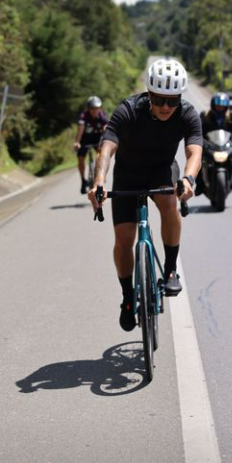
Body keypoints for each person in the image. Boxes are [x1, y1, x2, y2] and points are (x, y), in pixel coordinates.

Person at [88, 58, 202, 331]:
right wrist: (99, 181)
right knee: (124, 239)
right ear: (149, 94)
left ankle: (171, 270)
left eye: (172, 101)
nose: (166, 107)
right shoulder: (129, 109)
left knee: (170, 204)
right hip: (128, 173)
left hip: (162, 170)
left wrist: (188, 178)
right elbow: (108, 145)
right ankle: (128, 298)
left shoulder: (187, 113)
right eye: (160, 99)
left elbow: (194, 150)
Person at [197, 92, 232, 191]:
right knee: (198, 159)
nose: (220, 107)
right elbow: (198, 131)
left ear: (226, 106)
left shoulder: (231, 115)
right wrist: (202, 142)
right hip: (209, 146)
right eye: (218, 104)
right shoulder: (205, 115)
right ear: (213, 104)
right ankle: (199, 185)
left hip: (227, 145)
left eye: (222, 105)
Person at [74, 96, 108, 194]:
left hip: (97, 138)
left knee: (101, 153)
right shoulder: (83, 116)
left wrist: (105, 139)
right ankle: (83, 181)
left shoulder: (102, 116)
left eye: (97, 108)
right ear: (89, 109)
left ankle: (99, 175)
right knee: (80, 158)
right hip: (84, 139)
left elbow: (106, 127)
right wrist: (77, 142)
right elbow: (80, 129)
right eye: (93, 108)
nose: (95, 111)